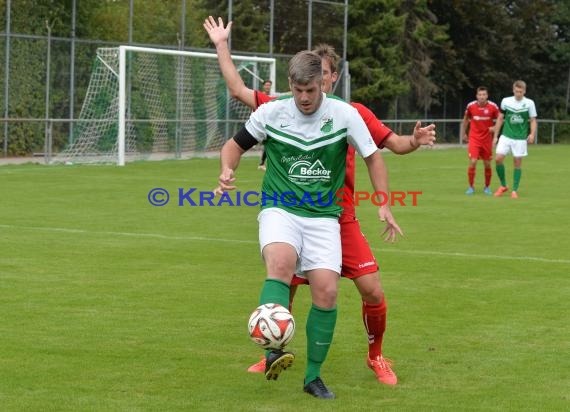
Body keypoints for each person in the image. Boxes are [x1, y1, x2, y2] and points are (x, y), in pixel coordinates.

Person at [204, 16, 436, 386]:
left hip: (336, 216)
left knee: (361, 289)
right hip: (286, 209)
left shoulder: (352, 113)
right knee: (283, 269)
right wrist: (221, 45)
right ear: (293, 84)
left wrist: (409, 151)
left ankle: (372, 358)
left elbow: (387, 148)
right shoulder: (278, 106)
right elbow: (236, 94)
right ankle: (272, 353)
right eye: (300, 88)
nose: (306, 94)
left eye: (320, 80)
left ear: (329, 80)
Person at [492, 80, 537, 199]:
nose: (518, 94)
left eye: (521, 92)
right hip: (506, 136)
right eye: (516, 91)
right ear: (513, 90)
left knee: (517, 163)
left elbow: (533, 120)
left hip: (520, 139)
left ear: (524, 91)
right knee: (498, 159)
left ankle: (514, 190)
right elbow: (500, 118)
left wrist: (532, 134)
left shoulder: (529, 103)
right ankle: (503, 186)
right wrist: (495, 136)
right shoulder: (506, 101)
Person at [460, 86, 500, 195]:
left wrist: (495, 128)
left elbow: (500, 119)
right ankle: (471, 187)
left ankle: (487, 187)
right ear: (477, 96)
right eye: (480, 95)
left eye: (484, 95)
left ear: (487, 96)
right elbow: (465, 120)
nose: (482, 97)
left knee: (487, 164)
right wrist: (463, 133)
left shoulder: (493, 107)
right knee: (473, 161)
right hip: (474, 138)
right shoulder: (471, 106)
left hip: (487, 139)